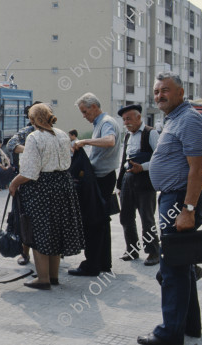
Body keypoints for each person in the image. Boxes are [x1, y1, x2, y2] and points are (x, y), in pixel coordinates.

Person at [137, 72, 202, 345]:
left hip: (180, 200)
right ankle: (190, 326)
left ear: (181, 92)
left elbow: (198, 168)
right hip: (174, 198)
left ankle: (169, 334)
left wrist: (188, 209)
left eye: (165, 90)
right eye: (156, 91)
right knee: (183, 266)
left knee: (173, 270)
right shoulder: (174, 119)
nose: (159, 96)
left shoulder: (189, 120)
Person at [8, 103, 85, 289]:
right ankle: (53, 276)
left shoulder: (34, 137)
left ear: (33, 120)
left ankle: (42, 279)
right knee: (55, 231)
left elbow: (30, 172)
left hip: (41, 188)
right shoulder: (62, 134)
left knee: (39, 232)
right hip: (63, 185)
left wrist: (13, 183)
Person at [70, 92, 121, 276]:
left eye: (85, 111)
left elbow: (110, 141)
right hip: (104, 176)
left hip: (102, 178)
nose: (84, 116)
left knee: (93, 222)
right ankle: (103, 263)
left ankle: (92, 265)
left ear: (94, 107)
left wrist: (84, 141)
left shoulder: (106, 122)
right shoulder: (102, 122)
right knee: (101, 222)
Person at [116, 104, 160, 266]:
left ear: (138, 117)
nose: (126, 122)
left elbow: (160, 158)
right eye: (124, 120)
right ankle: (132, 250)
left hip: (145, 181)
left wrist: (143, 167)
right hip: (129, 180)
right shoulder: (128, 136)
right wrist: (120, 184)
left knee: (147, 218)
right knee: (126, 217)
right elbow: (123, 161)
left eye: (129, 119)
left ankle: (154, 252)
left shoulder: (151, 133)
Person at [5, 100, 41, 265]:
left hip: (45, 181)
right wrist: (29, 150)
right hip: (26, 180)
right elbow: (11, 144)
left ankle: (47, 256)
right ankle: (25, 254)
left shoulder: (52, 131)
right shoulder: (27, 131)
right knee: (24, 218)